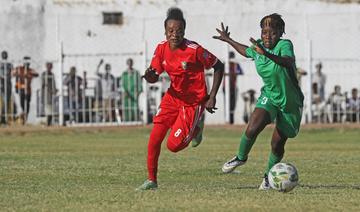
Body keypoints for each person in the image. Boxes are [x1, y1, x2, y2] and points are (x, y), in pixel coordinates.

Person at [213, 13, 304, 190]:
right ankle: (240, 157)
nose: (267, 36)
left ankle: (268, 177)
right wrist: (228, 40)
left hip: (290, 102)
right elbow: (246, 50)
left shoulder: (285, 45)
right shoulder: (258, 47)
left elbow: (288, 62)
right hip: (269, 96)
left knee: (277, 144)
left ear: (280, 33)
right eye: (264, 32)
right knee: (253, 126)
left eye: (272, 32)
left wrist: (267, 54)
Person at [137, 7, 224, 190]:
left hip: (193, 103)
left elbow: (219, 66)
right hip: (172, 97)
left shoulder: (194, 50)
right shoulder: (161, 48)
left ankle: (196, 128)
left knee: (173, 146)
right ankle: (152, 180)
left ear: (184, 31)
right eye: (171, 30)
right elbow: (155, 74)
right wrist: (150, 77)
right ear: (165, 31)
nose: (174, 34)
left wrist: (212, 96)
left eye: (179, 30)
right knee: (154, 138)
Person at [12, 56, 39, 124]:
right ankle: (22, 117)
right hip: (21, 89)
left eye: (28, 62)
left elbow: (36, 74)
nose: (27, 64)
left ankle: (24, 119)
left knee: (27, 105)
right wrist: (17, 86)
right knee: (22, 104)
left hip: (28, 90)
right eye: (26, 62)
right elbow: (13, 73)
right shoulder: (19, 69)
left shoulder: (30, 70)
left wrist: (29, 75)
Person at [224, 51, 243, 124]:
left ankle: (231, 121)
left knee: (233, 104)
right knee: (227, 104)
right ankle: (227, 120)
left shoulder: (236, 65)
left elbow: (240, 72)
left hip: (233, 87)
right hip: (225, 87)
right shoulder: (225, 64)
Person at [0, 51, 13, 125]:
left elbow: (12, 73)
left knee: (7, 102)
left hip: (8, 84)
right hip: (1, 84)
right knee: (3, 101)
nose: (4, 56)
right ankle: (2, 118)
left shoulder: (9, 64)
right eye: (3, 55)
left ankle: (4, 118)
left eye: (5, 55)